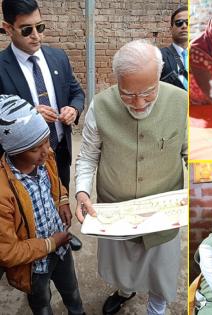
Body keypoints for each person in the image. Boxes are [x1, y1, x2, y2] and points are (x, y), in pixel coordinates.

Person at [74, 40, 187, 315]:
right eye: (127, 94)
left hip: (164, 212)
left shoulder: (183, 103)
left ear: (159, 76)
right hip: (116, 211)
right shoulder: (100, 106)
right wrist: (81, 193)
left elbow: (190, 153)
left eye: (148, 92)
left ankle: (156, 307)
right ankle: (125, 290)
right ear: (117, 82)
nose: (138, 103)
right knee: (122, 265)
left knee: (161, 270)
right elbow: (88, 156)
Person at [0, 95, 84, 315]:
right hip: (33, 265)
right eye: (35, 148)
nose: (46, 151)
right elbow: (7, 252)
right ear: (14, 150)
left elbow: (55, 184)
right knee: (41, 302)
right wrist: (49, 244)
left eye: (47, 141)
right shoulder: (3, 192)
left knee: (72, 290)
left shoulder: (45, 157)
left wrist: (63, 200)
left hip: (61, 246)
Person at [0, 0, 85, 190]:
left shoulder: (58, 57)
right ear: (8, 28)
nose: (36, 36)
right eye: (26, 30)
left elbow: (76, 92)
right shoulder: (1, 67)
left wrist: (74, 109)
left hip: (60, 153)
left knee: (62, 209)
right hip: (21, 163)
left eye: (40, 27)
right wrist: (28, 115)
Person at [160, 6, 188, 90]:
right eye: (179, 22)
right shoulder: (159, 55)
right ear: (171, 29)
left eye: (188, 22)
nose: (184, 26)